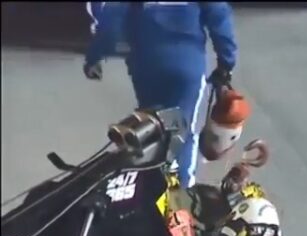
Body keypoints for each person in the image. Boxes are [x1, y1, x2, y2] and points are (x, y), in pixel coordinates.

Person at [84, 2, 237, 188]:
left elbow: (114, 16)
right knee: (184, 131)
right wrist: (226, 63)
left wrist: (94, 56)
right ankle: (181, 193)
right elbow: (219, 15)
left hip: (146, 65)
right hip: (186, 66)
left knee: (150, 128)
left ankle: (147, 187)